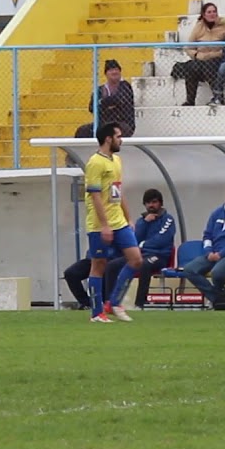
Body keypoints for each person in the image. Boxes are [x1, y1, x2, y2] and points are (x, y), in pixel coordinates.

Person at [83, 121, 145, 323]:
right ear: (108, 138)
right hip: (100, 224)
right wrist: (104, 225)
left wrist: (127, 218)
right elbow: (95, 196)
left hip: (119, 222)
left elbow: (117, 191)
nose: (121, 140)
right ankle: (96, 312)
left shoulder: (116, 161)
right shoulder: (95, 163)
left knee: (136, 259)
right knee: (98, 265)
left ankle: (114, 302)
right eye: (118, 136)